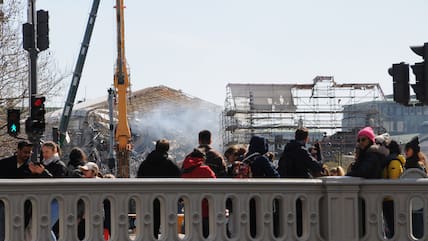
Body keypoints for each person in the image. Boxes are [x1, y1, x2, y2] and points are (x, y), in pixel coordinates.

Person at [137, 139, 181, 238]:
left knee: (152, 225)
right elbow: (178, 178)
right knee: (169, 223)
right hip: (167, 198)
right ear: (167, 148)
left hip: (148, 198)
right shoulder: (171, 162)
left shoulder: (145, 163)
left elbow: (139, 179)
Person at [181, 148, 215, 238]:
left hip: (189, 210)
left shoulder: (184, 170)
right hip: (205, 210)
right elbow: (215, 187)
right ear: (202, 158)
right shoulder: (206, 170)